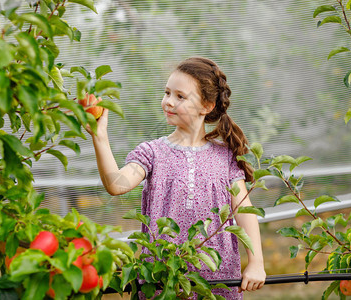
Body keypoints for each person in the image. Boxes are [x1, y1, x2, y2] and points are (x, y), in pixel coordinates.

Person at [87, 56, 266, 299]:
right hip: (161, 281)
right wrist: (100, 137)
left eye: (180, 96)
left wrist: (256, 262)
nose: (168, 102)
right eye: (167, 92)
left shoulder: (224, 158)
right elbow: (117, 185)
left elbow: (244, 210)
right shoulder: (153, 152)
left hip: (218, 282)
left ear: (207, 106)